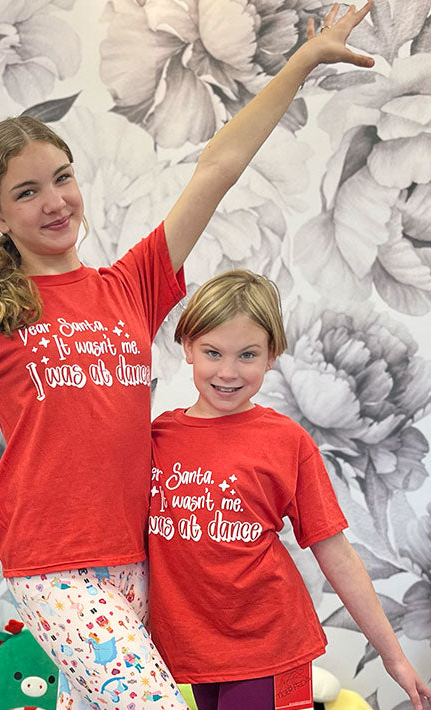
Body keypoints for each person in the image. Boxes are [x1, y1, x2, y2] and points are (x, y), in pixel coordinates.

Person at [0, 3, 376, 709]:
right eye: (27, 191)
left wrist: (300, 64)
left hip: (133, 563)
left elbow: (218, 167)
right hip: (55, 570)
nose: (56, 201)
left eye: (62, 177)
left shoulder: (130, 286)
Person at [148, 269, 431, 710]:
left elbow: (335, 551)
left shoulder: (285, 441)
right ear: (187, 347)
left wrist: (394, 657)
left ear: (272, 355)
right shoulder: (157, 436)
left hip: (270, 649)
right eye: (212, 352)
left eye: (247, 355)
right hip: (192, 652)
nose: (227, 371)